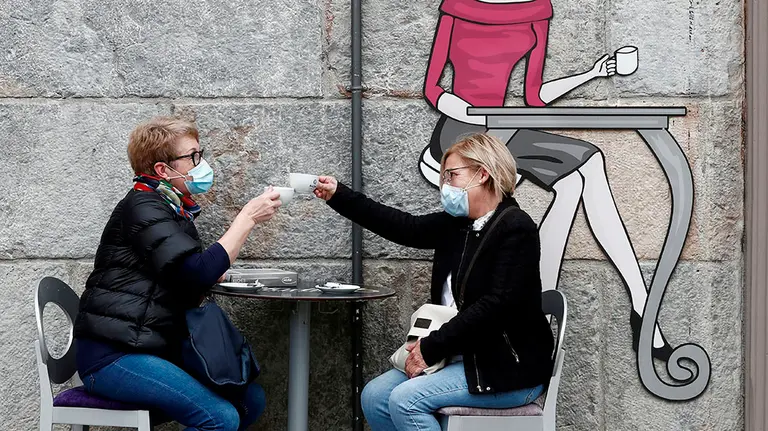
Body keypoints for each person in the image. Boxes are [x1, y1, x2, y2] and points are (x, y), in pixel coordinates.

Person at [417, 0, 671, 359]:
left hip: (503, 126)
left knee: (583, 170)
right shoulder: (458, 8)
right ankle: (557, 308)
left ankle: (637, 302)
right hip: (464, 133)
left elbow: (534, 96)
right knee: (580, 172)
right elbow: (432, 87)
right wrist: (468, 111)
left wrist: (592, 74)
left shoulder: (537, 11)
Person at [314, 134, 554, 431]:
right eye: (444, 176)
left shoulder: (516, 228)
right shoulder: (457, 225)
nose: (445, 185)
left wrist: (430, 348)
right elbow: (404, 227)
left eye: (452, 175)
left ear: (482, 174)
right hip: (459, 357)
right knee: (375, 396)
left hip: (507, 369)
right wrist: (339, 195)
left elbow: (496, 306)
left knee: (406, 400)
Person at [74, 117, 280, 431]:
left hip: (145, 345)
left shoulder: (171, 208)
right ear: (162, 170)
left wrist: (210, 273)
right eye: (193, 157)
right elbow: (195, 273)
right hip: (111, 356)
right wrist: (247, 218)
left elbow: (183, 273)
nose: (202, 164)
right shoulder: (144, 206)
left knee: (250, 399)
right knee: (219, 418)